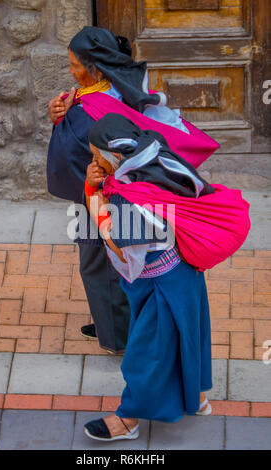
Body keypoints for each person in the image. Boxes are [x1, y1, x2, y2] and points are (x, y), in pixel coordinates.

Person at [46, 26, 218, 354]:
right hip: (134, 196)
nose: (70, 71)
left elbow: (69, 154)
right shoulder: (122, 91)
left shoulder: (90, 112)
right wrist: (59, 113)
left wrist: (64, 122)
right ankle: (118, 321)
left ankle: (118, 338)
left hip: (103, 197)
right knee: (125, 263)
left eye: (74, 64)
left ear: (95, 67)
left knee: (100, 264)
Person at [82, 114, 216, 441]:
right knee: (189, 336)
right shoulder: (157, 157)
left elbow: (116, 242)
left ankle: (127, 420)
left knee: (147, 353)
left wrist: (91, 194)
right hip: (183, 273)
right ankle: (195, 398)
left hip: (160, 287)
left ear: (116, 156)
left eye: (98, 157)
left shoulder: (130, 195)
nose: (95, 163)